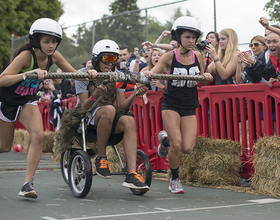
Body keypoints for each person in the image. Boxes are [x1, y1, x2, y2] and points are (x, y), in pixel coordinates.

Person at [0, 18, 95, 199]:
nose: (51, 46)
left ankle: (27, 184)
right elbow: (2, 79)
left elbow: (76, 74)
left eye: (54, 42)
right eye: (47, 41)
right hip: (7, 102)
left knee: (38, 135)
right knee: (4, 146)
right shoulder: (27, 56)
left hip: (27, 101)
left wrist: (88, 72)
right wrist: (27, 74)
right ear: (36, 41)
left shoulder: (55, 56)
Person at [144, 16, 213, 194]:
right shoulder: (169, 57)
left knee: (187, 148)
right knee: (176, 145)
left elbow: (202, 81)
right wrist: (147, 75)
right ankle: (174, 179)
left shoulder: (198, 56)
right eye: (187, 37)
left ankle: (164, 140)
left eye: (194, 38)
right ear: (179, 37)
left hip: (190, 105)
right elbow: (152, 72)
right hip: (171, 104)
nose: (191, 41)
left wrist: (205, 78)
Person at [74, 39, 150, 191]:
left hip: (109, 114)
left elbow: (121, 106)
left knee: (128, 120)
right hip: (87, 116)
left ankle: (131, 173)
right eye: (107, 59)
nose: (111, 63)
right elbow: (83, 107)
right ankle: (101, 158)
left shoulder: (117, 75)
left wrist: (135, 93)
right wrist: (95, 94)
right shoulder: (83, 74)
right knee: (109, 109)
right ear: (97, 59)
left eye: (114, 59)